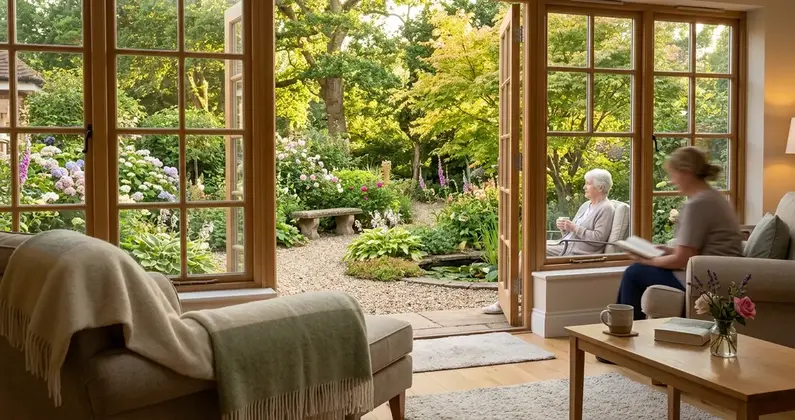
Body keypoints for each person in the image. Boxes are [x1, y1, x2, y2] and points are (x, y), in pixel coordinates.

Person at [482, 168, 616, 315]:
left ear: (600, 187)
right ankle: (515, 297)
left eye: (588, 184)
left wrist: (574, 227)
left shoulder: (606, 208)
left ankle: (510, 298)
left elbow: (598, 239)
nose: (584, 187)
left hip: (579, 252)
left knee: (527, 251)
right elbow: (573, 233)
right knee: (526, 251)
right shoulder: (586, 205)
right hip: (566, 245)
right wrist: (564, 228)